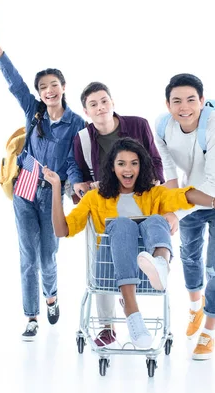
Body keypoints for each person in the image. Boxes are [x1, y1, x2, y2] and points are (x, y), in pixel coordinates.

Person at [42, 138, 215, 348]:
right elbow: (62, 230)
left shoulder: (153, 193)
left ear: (142, 166)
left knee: (156, 219)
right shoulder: (95, 197)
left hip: (147, 270)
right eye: (121, 163)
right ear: (112, 167)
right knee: (122, 225)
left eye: (134, 163)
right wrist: (55, 187)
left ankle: (160, 266)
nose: (128, 169)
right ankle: (132, 312)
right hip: (110, 268)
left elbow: (185, 195)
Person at [0, 13, 85, 341]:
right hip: (24, 188)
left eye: (54, 85)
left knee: (48, 255)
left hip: (53, 194)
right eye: (43, 87)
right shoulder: (33, 110)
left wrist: (74, 183)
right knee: (27, 255)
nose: (49, 91)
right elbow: (14, 82)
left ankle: (51, 297)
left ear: (64, 87)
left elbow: (77, 161)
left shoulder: (77, 123)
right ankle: (31, 315)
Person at [155, 73, 215, 359]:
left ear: (202, 101)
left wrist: (177, 213)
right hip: (189, 197)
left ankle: (209, 330)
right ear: (168, 104)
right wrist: (172, 209)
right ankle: (195, 308)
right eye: (177, 101)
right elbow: (169, 173)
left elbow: (213, 184)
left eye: (191, 100)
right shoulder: (161, 126)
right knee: (188, 256)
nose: (184, 107)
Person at [72, 82, 166, 348]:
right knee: (102, 258)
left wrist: (156, 182)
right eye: (93, 104)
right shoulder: (83, 139)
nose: (100, 108)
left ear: (112, 102)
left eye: (104, 101)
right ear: (86, 111)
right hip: (108, 205)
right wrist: (79, 186)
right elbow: (78, 173)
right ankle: (106, 326)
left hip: (142, 201)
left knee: (148, 236)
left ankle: (156, 270)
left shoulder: (138, 125)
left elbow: (155, 160)